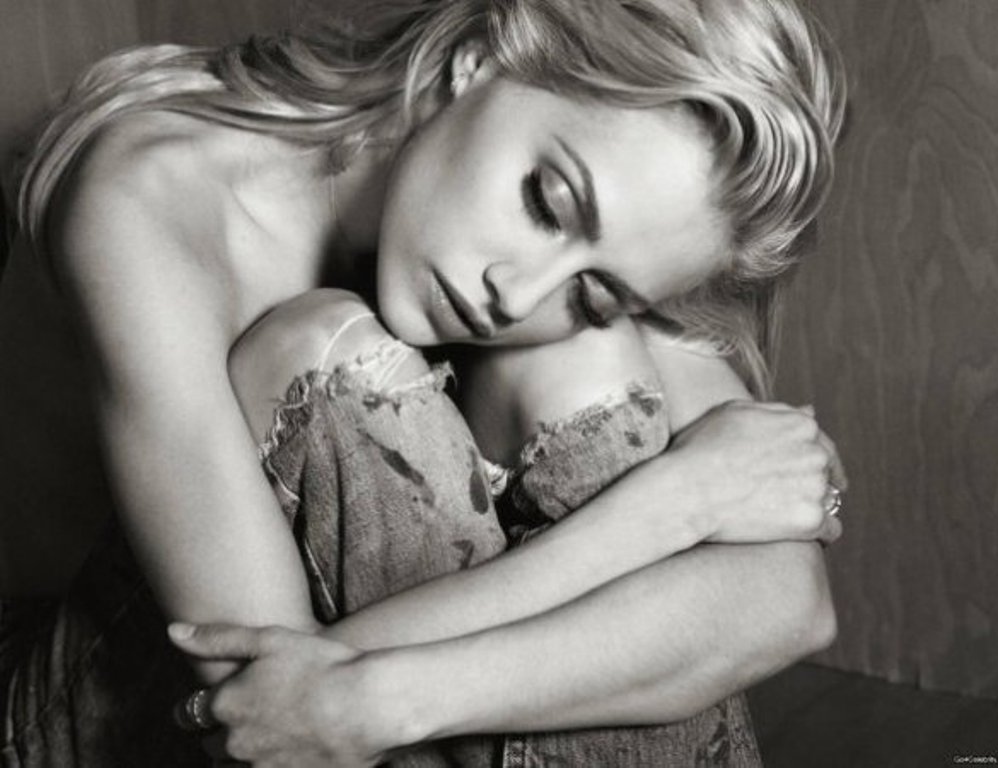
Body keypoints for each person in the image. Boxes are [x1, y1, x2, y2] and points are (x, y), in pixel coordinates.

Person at [0, 0, 846, 765]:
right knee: (326, 359)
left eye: (595, 287)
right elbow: (259, 700)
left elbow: (786, 600)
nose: (517, 292)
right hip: (88, 709)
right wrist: (668, 508)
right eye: (546, 202)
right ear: (479, 61)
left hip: (340, 701)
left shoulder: (576, 248)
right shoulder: (148, 199)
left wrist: (392, 702)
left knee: (584, 358)